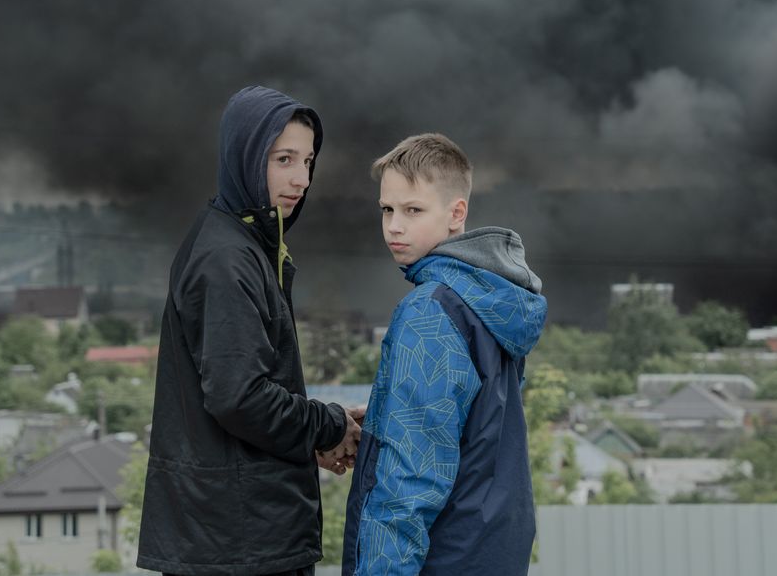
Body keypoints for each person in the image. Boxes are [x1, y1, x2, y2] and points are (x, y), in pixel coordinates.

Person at [138, 86, 361, 576]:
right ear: (244, 155)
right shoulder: (226, 259)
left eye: (307, 161)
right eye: (284, 159)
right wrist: (327, 425)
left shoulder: (242, 243)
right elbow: (241, 398)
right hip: (238, 546)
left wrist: (311, 436)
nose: (301, 179)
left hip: (234, 534)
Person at [341, 133, 548, 575]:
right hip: (489, 553)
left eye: (413, 210)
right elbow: (472, 429)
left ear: (457, 213)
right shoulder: (491, 300)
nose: (394, 225)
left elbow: (410, 480)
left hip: (442, 558)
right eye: (387, 209)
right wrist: (383, 418)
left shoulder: (429, 311)